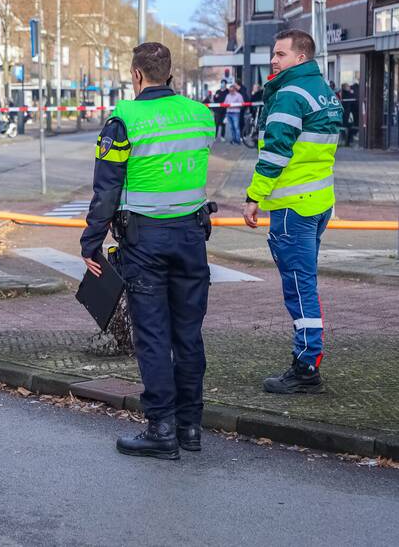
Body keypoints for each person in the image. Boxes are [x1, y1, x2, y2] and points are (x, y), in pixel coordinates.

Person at [81, 42, 216, 460]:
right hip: (191, 238)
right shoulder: (201, 115)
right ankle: (190, 427)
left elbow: (107, 189)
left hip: (145, 243)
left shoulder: (124, 120)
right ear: (170, 73)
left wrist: (91, 241)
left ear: (137, 75)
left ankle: (161, 429)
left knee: (154, 335)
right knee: (188, 334)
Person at [243, 30, 343, 394]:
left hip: (293, 207)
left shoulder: (290, 94)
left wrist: (254, 196)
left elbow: (275, 153)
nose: (273, 59)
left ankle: (306, 367)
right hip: (319, 202)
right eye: (273, 53)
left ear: (301, 57)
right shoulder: (323, 91)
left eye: (281, 54)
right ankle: (307, 360)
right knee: (306, 284)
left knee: (300, 289)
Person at [340, 83, 357, 147]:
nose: (349, 88)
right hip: (347, 115)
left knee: (345, 129)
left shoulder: (342, 94)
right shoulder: (349, 95)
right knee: (350, 127)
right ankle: (348, 142)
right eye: (348, 87)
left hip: (344, 115)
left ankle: (345, 141)